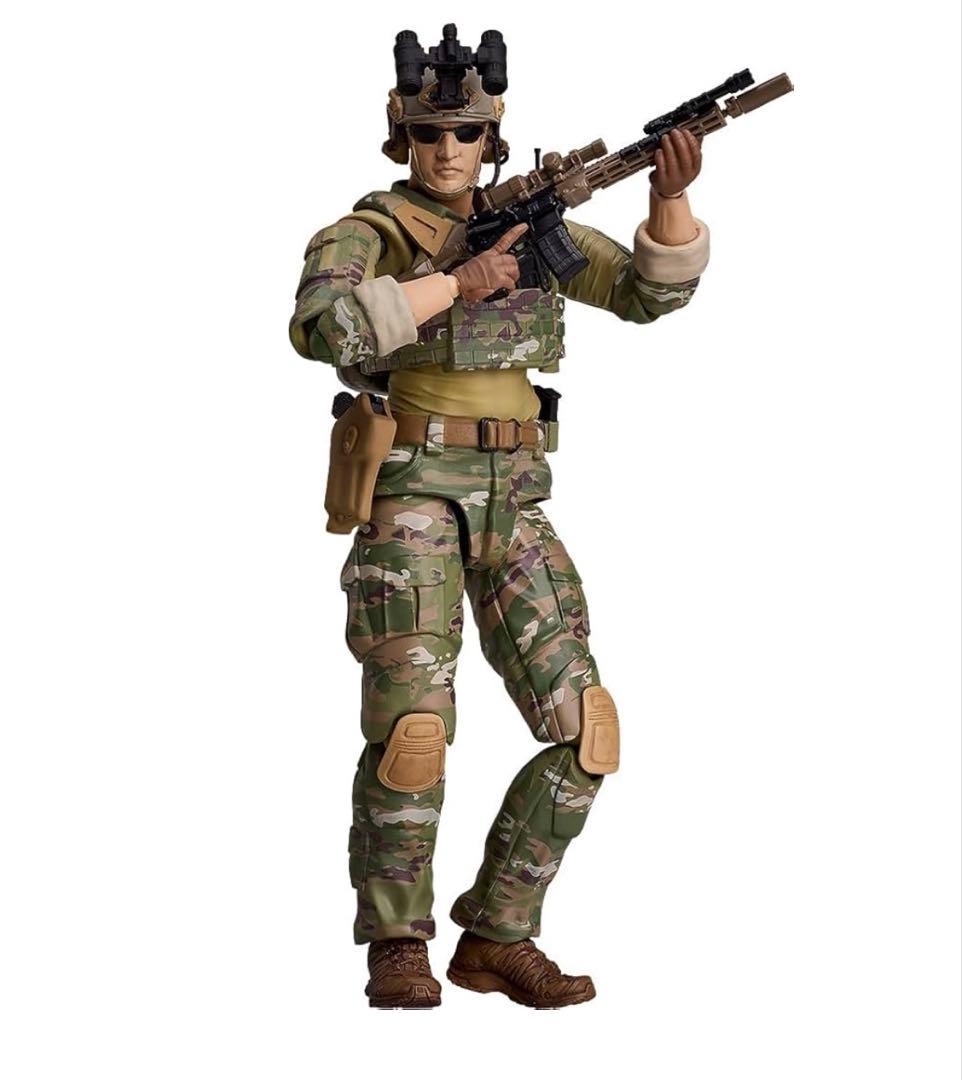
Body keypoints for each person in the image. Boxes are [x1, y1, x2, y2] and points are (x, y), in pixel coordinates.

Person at [288, 38, 709, 1009]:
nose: (449, 152)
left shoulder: (526, 223)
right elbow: (318, 326)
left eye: (468, 134)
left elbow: (647, 293)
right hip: (411, 492)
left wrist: (670, 200)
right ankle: (397, 941)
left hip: (514, 495)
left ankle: (497, 933)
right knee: (413, 729)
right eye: (431, 134)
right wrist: (452, 283)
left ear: (492, 137)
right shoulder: (371, 231)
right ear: (403, 135)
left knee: (586, 729)